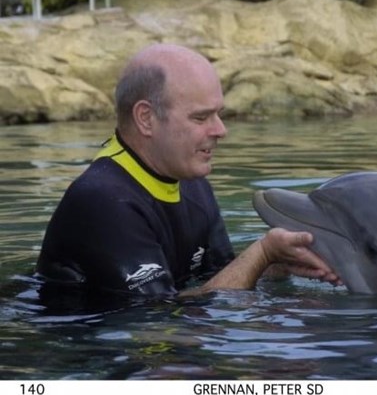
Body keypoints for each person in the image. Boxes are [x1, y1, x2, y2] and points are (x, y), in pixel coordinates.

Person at [36, 43, 339, 303]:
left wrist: (276, 264)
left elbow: (217, 277)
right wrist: (261, 252)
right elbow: (160, 321)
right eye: (201, 117)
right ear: (146, 118)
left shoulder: (189, 181)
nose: (221, 130)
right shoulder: (103, 200)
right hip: (90, 355)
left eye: (219, 114)